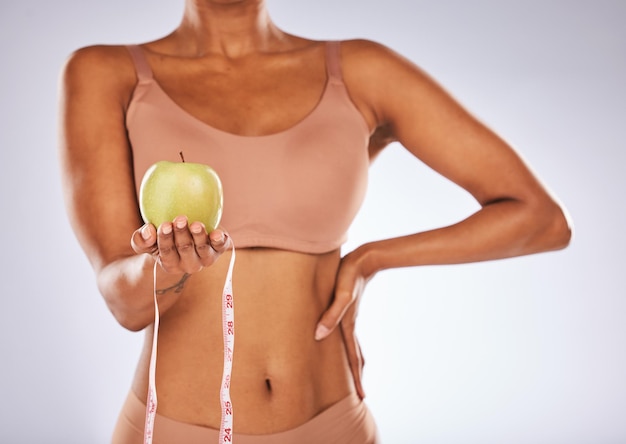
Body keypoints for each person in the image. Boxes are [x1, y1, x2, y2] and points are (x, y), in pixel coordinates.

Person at [58, 0, 572, 442]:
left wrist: (370, 259)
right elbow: (123, 300)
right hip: (173, 429)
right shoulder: (106, 73)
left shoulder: (360, 69)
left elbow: (540, 218)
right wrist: (167, 270)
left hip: (335, 428)